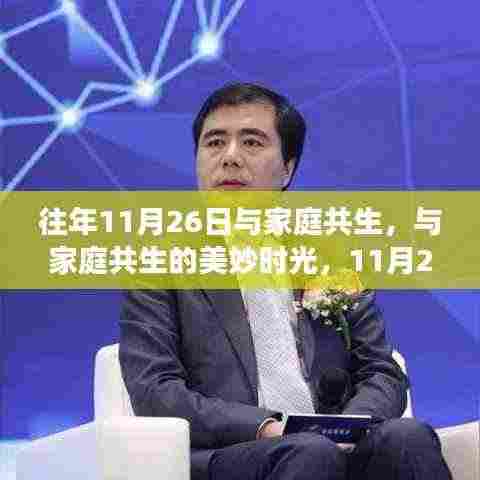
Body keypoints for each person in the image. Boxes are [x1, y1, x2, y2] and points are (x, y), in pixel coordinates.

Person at [119, 83, 452, 480]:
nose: (229, 157)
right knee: (308, 452)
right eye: (215, 142)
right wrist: (265, 426)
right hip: (233, 453)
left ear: (287, 169)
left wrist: (348, 428)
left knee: (408, 437)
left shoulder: (326, 258)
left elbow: (381, 369)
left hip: (334, 444)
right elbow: (154, 389)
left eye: (252, 142)